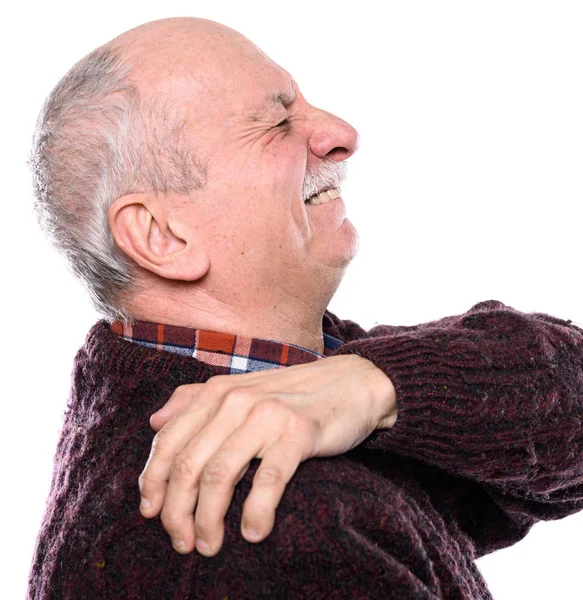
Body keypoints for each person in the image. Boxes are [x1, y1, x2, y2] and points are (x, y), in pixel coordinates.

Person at [26, 16, 583, 600]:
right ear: (163, 236)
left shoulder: (309, 381)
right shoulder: (265, 530)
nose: (343, 133)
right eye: (276, 121)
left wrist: (381, 386)